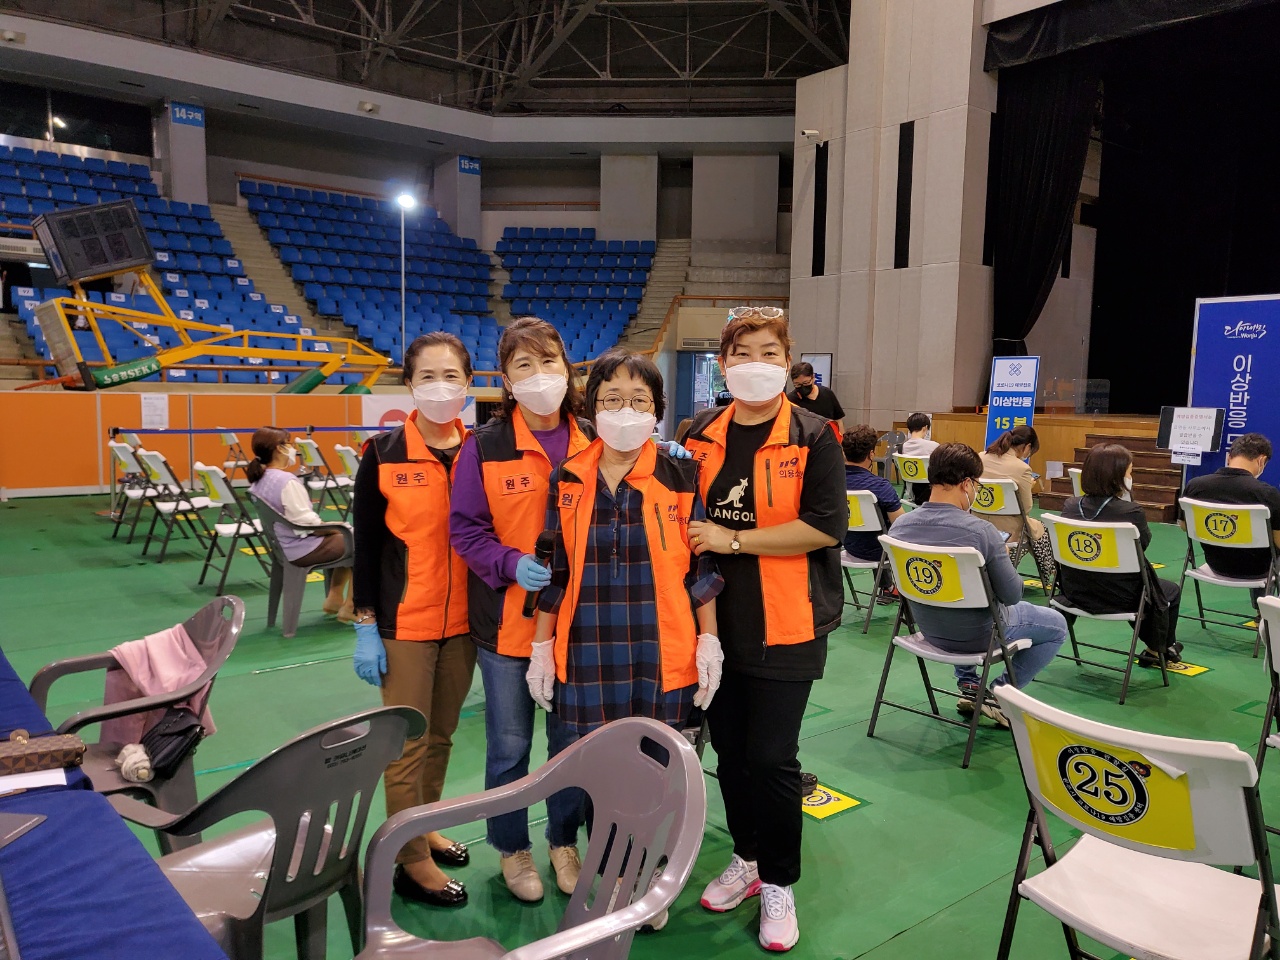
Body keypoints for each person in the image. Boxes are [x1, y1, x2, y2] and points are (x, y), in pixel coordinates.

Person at [529, 349, 725, 931]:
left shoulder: (681, 473)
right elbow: (555, 569)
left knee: (654, 769)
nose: (624, 410)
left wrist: (709, 640)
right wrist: (541, 647)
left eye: (639, 400)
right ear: (591, 408)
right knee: (598, 767)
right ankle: (610, 869)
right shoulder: (567, 477)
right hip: (588, 645)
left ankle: (644, 874)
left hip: (660, 648)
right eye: (611, 398)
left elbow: (701, 566)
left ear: (657, 411)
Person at [682, 306, 847, 953]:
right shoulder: (699, 434)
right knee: (729, 754)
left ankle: (779, 881)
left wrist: (734, 539)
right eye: (743, 353)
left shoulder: (815, 435)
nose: (756, 364)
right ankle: (747, 858)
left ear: (787, 360)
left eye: (769, 353)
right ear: (724, 364)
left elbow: (824, 527)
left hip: (789, 621)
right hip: (716, 623)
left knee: (772, 757)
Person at [448, 316, 592, 903]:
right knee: (509, 747)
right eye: (523, 365)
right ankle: (511, 848)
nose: (539, 375)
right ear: (506, 380)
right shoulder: (484, 446)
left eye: (548, 361)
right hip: (509, 626)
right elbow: (466, 529)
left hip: (579, 625)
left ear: (567, 367)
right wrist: (509, 563)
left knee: (571, 745)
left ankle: (563, 841)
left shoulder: (594, 438)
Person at [349, 332, 479, 908]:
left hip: (465, 625)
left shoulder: (480, 451)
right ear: (409, 384)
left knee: (442, 737)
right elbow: (367, 546)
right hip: (404, 625)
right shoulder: (382, 454)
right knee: (407, 746)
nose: (440, 386)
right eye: (428, 376)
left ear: (469, 383)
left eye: (451, 375)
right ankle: (409, 859)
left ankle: (423, 827)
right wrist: (365, 623)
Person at [888, 443, 1067, 727]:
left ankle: (970, 685)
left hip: (928, 630)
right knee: (1057, 624)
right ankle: (997, 694)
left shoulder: (899, 527)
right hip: (979, 636)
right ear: (967, 484)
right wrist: (1001, 557)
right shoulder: (982, 532)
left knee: (956, 598)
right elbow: (1012, 595)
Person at [1058, 443, 1183, 667]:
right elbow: (1142, 546)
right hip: (1120, 597)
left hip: (1074, 591)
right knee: (1168, 590)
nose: (1131, 478)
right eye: (1129, 472)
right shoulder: (1131, 512)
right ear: (1118, 478)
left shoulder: (1070, 506)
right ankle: (1158, 649)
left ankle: (1160, 648)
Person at [246, 426, 353, 619]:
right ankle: (351, 607)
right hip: (301, 549)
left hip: (283, 547)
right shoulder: (287, 481)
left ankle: (334, 598)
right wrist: (336, 527)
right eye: (289, 443)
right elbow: (307, 524)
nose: (292, 448)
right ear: (279, 448)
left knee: (347, 537)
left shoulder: (259, 480)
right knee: (363, 542)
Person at [1183, 432, 1280, 599]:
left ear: (1229, 457)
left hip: (1216, 565)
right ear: (1261, 461)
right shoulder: (1267, 494)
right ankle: (1264, 608)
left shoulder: (1194, 486)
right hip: (1258, 570)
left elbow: (1185, 526)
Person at [979, 425, 1056, 583]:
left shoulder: (980, 457)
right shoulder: (1022, 468)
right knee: (1041, 530)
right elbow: (1026, 508)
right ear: (1027, 446)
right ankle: (1049, 574)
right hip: (1008, 528)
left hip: (979, 522)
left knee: (1033, 529)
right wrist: (1029, 486)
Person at [842, 424, 904, 600]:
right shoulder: (880, 486)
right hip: (878, 552)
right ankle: (894, 590)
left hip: (847, 545)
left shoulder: (831, 483)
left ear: (844, 453)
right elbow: (901, 525)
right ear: (871, 455)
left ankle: (887, 587)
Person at [787, 361, 845, 433]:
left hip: (828, 437)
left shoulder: (827, 393)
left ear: (813, 377)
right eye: (797, 384)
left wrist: (842, 438)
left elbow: (838, 420)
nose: (802, 387)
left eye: (806, 383)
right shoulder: (790, 400)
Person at [901, 411, 937, 504]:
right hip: (931, 493)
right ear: (925, 428)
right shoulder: (934, 446)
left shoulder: (902, 448)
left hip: (911, 492)